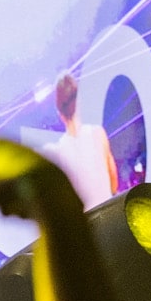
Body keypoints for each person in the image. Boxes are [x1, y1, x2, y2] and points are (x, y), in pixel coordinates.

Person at [39, 71, 118, 208]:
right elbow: (113, 182)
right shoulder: (97, 133)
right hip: (109, 217)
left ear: (59, 112)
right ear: (79, 101)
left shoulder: (58, 153)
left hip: (86, 226)